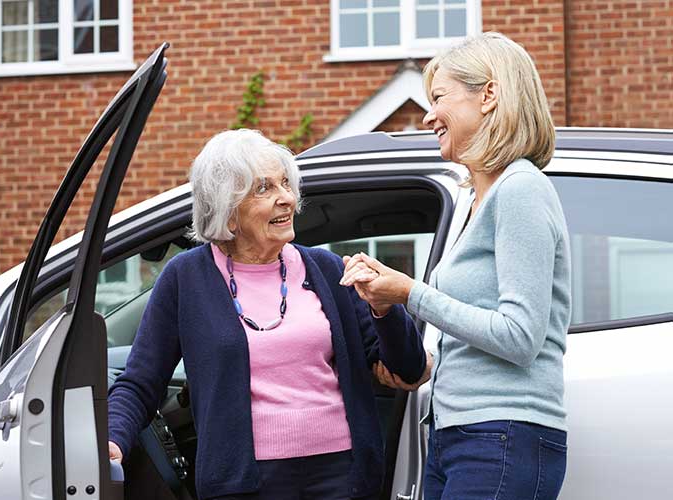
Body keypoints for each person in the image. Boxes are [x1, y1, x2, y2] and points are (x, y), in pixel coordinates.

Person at [107, 128, 428, 499]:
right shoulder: (185, 279)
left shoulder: (326, 269)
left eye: (286, 184)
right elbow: (141, 381)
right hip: (244, 483)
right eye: (264, 189)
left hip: (343, 475)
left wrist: (384, 308)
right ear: (228, 210)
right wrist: (114, 439)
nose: (287, 199)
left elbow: (406, 367)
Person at [341, 32, 571, 500]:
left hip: (499, 435)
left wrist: (410, 293)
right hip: (461, 434)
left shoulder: (520, 189)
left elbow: (520, 337)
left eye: (439, 97)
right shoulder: (476, 200)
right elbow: (479, 330)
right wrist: (426, 361)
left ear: (488, 95)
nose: (428, 115)